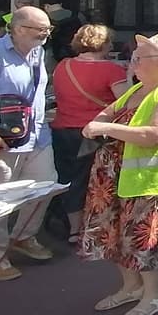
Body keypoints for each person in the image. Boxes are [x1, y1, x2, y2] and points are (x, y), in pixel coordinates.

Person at [79, 33, 158, 315]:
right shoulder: (136, 90)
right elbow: (108, 112)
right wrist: (101, 122)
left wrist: (105, 128)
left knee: (144, 239)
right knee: (115, 236)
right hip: (114, 176)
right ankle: (131, 287)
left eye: (141, 57)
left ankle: (153, 296)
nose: (134, 62)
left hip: (149, 179)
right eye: (134, 56)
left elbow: (157, 133)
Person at [0, 5, 57, 281]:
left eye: (48, 29)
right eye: (40, 29)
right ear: (17, 28)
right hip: (1, 138)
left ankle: (23, 236)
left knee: (46, 186)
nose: (45, 34)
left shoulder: (39, 53)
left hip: (38, 135)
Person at [50, 24, 126, 243]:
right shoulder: (112, 70)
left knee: (69, 179)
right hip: (96, 132)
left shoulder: (62, 66)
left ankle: (75, 230)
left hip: (63, 129)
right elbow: (124, 104)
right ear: (104, 44)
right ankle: (100, 227)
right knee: (101, 180)